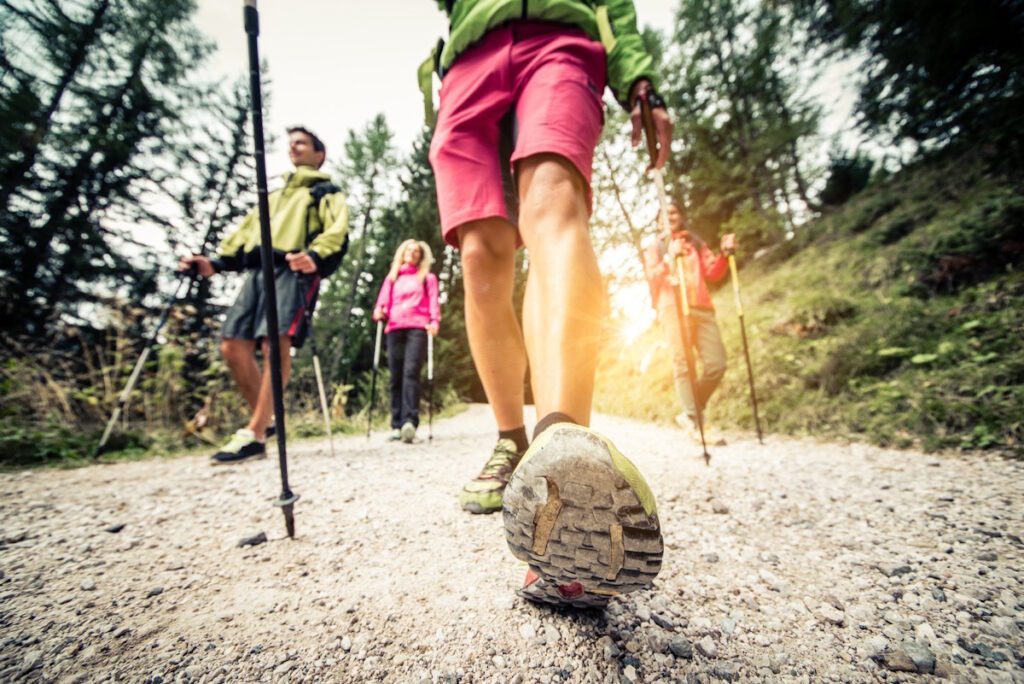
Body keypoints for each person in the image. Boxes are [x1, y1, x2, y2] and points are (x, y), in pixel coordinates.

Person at [423, 0, 673, 607]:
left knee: (552, 204)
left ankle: (560, 444)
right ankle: (512, 439)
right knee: (480, 253)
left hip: (561, 39)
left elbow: (615, 7)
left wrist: (639, 77)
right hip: (466, 64)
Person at [179, 127, 349, 464]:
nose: (294, 149)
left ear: (320, 154)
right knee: (232, 343)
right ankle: (267, 421)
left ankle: (255, 432)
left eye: (301, 143)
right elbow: (245, 234)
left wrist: (315, 255)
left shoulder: (324, 191)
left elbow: (337, 230)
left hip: (293, 269)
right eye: (291, 145)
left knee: (276, 343)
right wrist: (216, 262)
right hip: (258, 271)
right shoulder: (271, 196)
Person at [643, 202, 735, 444]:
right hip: (672, 307)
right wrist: (668, 258)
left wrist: (725, 255)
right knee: (683, 362)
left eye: (674, 211)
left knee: (717, 363)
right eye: (665, 212)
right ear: (658, 221)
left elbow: (713, 272)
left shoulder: (694, 242)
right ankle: (694, 420)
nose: (670, 215)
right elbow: (652, 276)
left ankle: (689, 411)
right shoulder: (656, 247)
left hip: (702, 307)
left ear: (680, 216)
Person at [372, 239, 441, 444]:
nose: (412, 253)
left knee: (411, 372)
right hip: (394, 327)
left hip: (417, 328)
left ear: (421, 256)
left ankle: (409, 422)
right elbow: (382, 303)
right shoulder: (392, 278)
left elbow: (434, 301)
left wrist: (434, 321)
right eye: (409, 250)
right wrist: (379, 311)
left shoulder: (427, 278)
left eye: (417, 251)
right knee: (396, 375)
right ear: (402, 253)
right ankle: (396, 424)